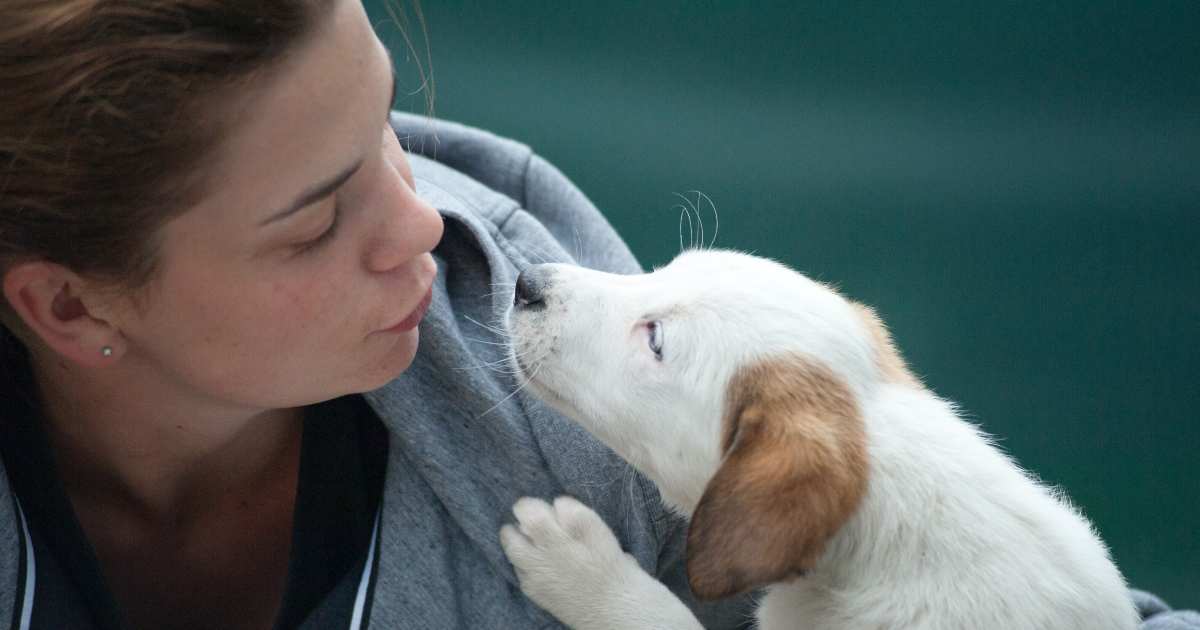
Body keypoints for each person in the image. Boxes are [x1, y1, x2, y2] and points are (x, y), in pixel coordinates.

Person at [0, 2, 1194, 630]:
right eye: (316, 220)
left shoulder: (586, 445)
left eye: (384, 125)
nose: (424, 224)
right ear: (63, 302)